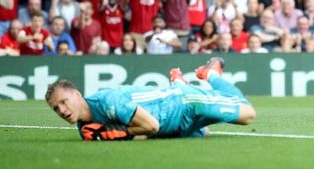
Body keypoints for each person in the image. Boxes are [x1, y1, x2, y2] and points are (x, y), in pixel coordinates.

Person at [45, 57, 256, 140]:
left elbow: (151, 126)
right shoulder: (86, 130)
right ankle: (179, 83)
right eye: (56, 109)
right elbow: (143, 136)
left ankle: (211, 74)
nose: (62, 110)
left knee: (247, 115)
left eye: (64, 102)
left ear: (77, 94)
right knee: (203, 134)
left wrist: (124, 132)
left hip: (185, 104)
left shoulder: (109, 102)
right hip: (174, 126)